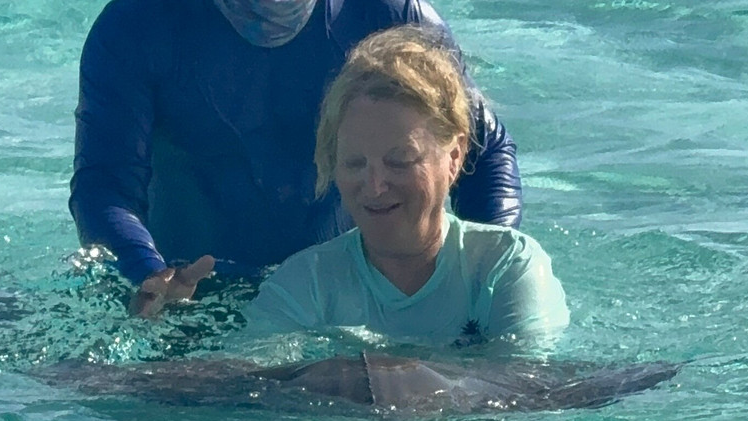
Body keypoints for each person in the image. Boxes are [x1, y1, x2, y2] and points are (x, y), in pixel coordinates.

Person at [68, 0, 523, 311]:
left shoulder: (389, 12)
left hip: (348, 297)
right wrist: (147, 279)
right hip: (196, 302)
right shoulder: (136, 25)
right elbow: (105, 185)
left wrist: (474, 275)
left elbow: (481, 149)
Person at [236, 25, 568, 346]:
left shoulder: (507, 268)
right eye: (355, 164)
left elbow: (529, 388)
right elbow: (246, 385)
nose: (375, 186)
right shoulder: (303, 285)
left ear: (454, 156)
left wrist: (363, 381)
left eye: (400, 162)